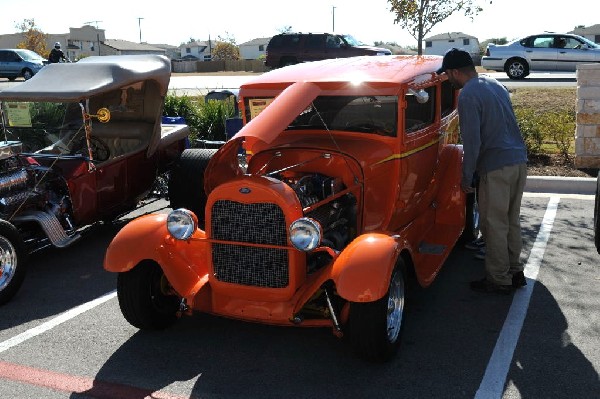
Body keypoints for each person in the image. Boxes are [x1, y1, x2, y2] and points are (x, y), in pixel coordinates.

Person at [437, 48, 528, 294]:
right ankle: (514, 270)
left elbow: (472, 142)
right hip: (518, 161)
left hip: (496, 166)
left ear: (456, 72)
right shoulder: (495, 84)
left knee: (493, 224)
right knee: (510, 220)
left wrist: (468, 177)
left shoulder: (467, 95)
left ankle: (498, 279)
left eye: (447, 74)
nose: (448, 79)